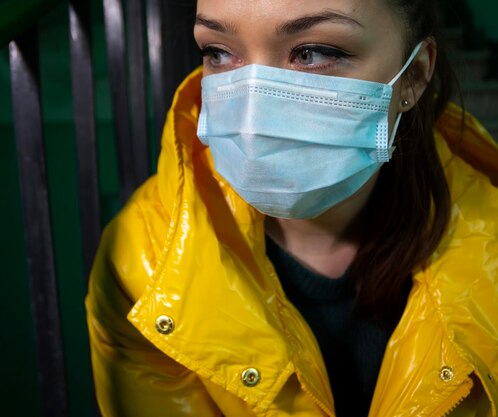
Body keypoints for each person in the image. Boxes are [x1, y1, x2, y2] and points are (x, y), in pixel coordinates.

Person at [86, 0, 498, 415]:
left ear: (414, 75)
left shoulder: (489, 251)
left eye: (312, 53)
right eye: (219, 53)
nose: (253, 109)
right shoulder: (143, 263)